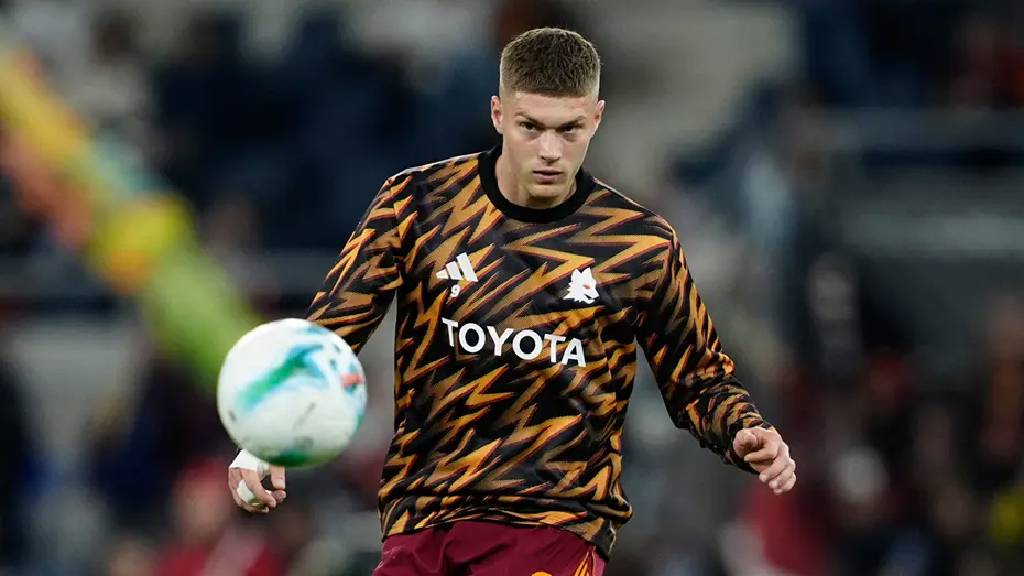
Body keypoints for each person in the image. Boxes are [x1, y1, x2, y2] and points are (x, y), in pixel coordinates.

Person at [228, 27, 797, 575]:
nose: (550, 151)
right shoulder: (418, 205)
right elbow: (333, 328)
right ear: (498, 114)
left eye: (569, 130)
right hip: (424, 515)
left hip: (554, 523)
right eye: (531, 126)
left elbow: (697, 380)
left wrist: (743, 429)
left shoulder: (638, 244)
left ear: (596, 119)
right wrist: (267, 437)